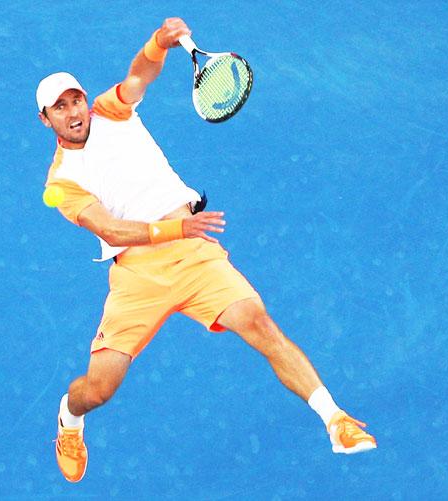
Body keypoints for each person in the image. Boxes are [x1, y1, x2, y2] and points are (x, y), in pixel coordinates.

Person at [37, 18, 376, 483]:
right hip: (138, 276)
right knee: (97, 390)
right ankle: (68, 422)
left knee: (257, 321)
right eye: (60, 107)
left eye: (75, 99)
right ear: (47, 119)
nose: (74, 111)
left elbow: (138, 74)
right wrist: (177, 227)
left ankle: (334, 419)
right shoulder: (61, 181)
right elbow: (112, 230)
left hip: (194, 252)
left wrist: (159, 42)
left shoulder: (110, 111)